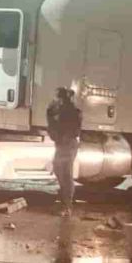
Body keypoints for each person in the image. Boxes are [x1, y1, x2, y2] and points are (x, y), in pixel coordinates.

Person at [47, 86, 82, 217]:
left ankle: (66, 206)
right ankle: (65, 202)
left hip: (67, 145)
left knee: (65, 174)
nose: (55, 99)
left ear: (62, 98)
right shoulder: (63, 111)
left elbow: (71, 130)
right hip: (63, 145)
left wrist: (51, 114)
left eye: (57, 97)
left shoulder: (70, 112)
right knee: (59, 171)